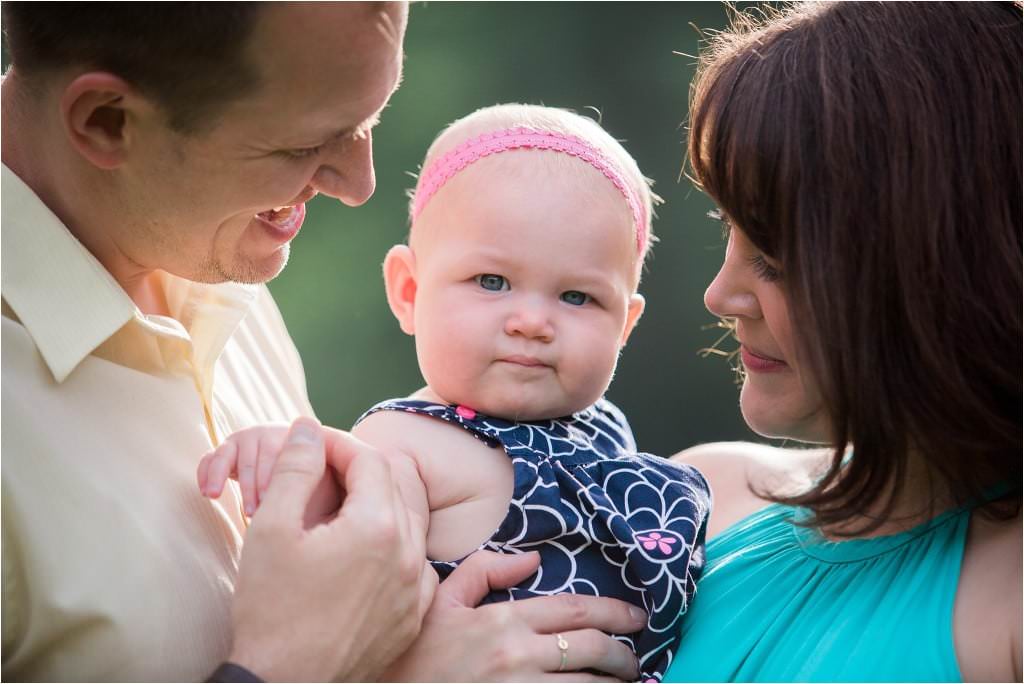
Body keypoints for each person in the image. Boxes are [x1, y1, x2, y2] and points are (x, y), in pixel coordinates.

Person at [1, 4, 646, 681]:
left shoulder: (218, 271)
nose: (360, 184)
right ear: (108, 120)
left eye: (368, 122)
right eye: (301, 146)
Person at [199, 103, 711, 682]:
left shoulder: (607, 433)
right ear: (409, 291)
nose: (531, 321)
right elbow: (338, 555)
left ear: (625, 326)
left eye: (577, 297)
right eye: (491, 282)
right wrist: (286, 458)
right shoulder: (407, 443)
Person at [660, 2, 1022, 681]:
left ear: (928, 265)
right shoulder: (691, 507)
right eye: (725, 225)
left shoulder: (1007, 603)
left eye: (773, 256)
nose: (720, 295)